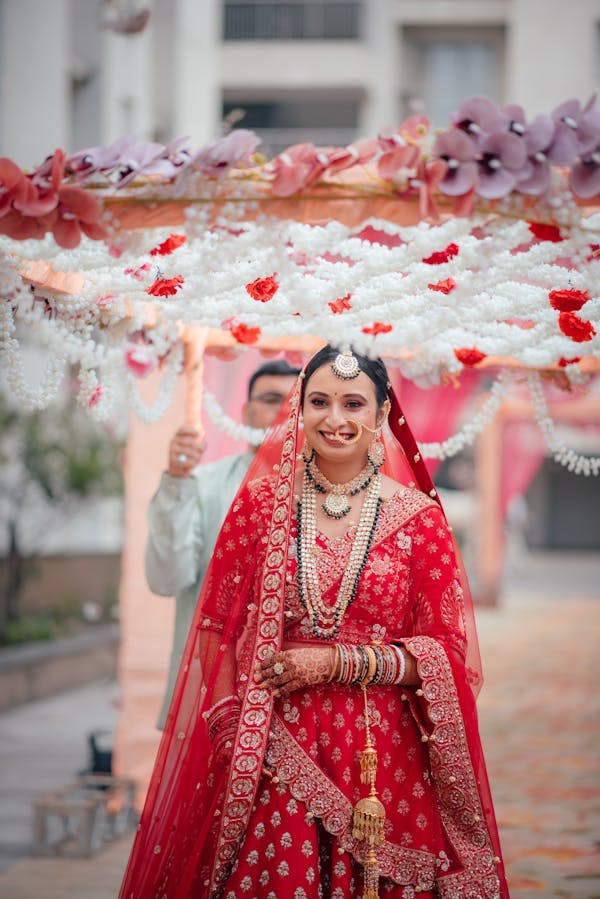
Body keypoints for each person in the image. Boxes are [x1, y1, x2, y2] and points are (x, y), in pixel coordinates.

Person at [121, 345, 509, 899]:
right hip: (271, 750)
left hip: (382, 759)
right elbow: (217, 630)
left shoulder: (421, 521)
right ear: (300, 411)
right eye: (320, 401)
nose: (335, 418)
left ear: (381, 417)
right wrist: (235, 731)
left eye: (354, 403)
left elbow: (447, 652)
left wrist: (337, 661)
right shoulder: (258, 506)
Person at [145, 358, 300, 727]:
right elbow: (167, 580)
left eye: (295, 401)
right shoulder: (198, 484)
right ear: (246, 412)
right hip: (211, 687)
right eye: (270, 399)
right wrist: (177, 481)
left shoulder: (333, 495)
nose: (283, 411)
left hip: (297, 690)